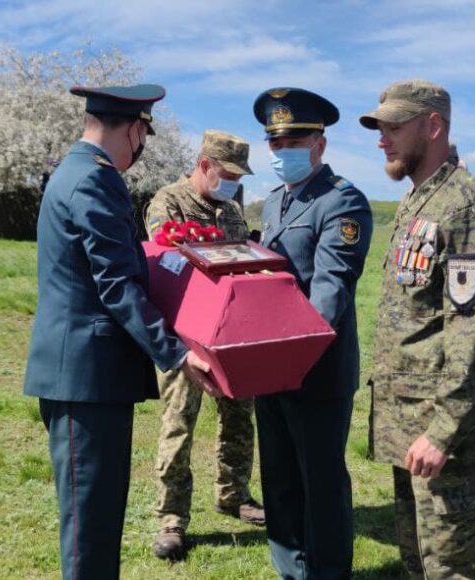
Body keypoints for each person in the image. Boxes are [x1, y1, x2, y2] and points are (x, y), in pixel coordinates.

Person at [22, 84, 219, 580]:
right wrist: (176, 354)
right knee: (90, 526)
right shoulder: (94, 180)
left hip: (86, 378)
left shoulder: (74, 172)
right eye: (144, 134)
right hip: (86, 381)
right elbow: (115, 285)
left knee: (98, 515)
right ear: (135, 129)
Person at [360, 80, 475, 579]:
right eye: (380, 127)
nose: (382, 139)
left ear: (433, 125)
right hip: (409, 422)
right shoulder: (418, 201)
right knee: (419, 558)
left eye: (394, 127)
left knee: (455, 563)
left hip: (442, 432)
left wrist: (444, 431)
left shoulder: (467, 208)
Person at [253, 87, 373, 579]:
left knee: (320, 485)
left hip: (316, 369)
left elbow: (331, 290)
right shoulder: (273, 203)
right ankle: (290, 570)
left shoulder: (342, 203)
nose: (284, 154)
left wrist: (294, 354)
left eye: (294, 143)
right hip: (267, 367)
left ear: (320, 145)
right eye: (276, 145)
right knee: (279, 481)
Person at [144, 129, 265, 560]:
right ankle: (172, 518)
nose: (232, 181)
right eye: (226, 173)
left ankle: (233, 494)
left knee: (239, 414)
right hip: (185, 333)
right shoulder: (168, 202)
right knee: (179, 422)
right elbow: (168, 260)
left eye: (238, 174)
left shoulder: (231, 210)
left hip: (229, 331)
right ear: (204, 165)